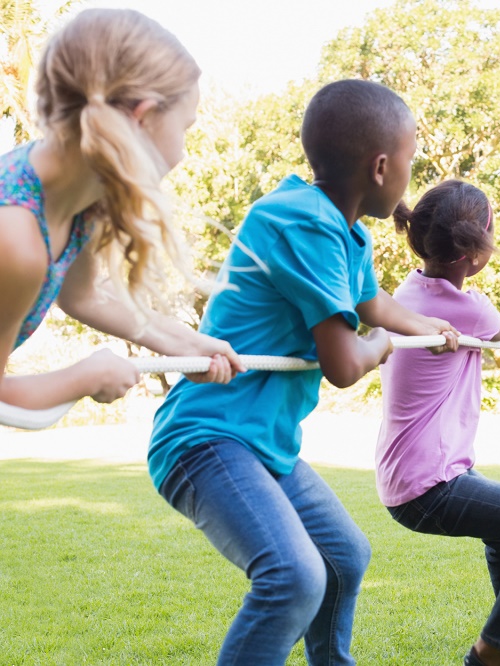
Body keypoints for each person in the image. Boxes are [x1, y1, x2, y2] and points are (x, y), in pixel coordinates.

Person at [148, 80, 459, 666]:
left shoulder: (347, 233)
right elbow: (346, 362)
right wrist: (385, 343)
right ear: (382, 165)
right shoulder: (301, 221)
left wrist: (425, 327)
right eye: (411, 162)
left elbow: (376, 306)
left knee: (342, 557)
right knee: (292, 577)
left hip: (263, 445)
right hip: (208, 437)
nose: (409, 177)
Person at [0, 8, 242, 416]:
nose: (182, 152)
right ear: (143, 117)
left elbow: (84, 297)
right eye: (184, 127)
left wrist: (186, 344)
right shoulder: (16, 235)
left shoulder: (78, 203)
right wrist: (84, 376)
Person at [376, 179, 500, 666]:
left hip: (413, 480)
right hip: (430, 487)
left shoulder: (412, 291)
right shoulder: (461, 306)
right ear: (475, 252)